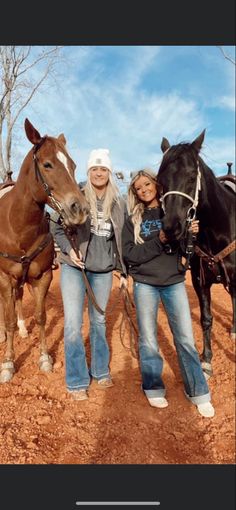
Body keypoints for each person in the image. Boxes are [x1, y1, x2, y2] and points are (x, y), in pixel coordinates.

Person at [122, 169, 215, 418]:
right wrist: (159, 240)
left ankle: (198, 392)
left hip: (174, 281)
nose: (143, 190)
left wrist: (190, 234)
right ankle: (153, 387)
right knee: (149, 340)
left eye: (147, 184)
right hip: (145, 283)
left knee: (185, 338)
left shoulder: (173, 209)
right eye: (138, 188)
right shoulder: (133, 217)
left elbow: (186, 251)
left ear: (156, 184)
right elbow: (129, 254)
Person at [52, 149, 127, 401]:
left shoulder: (118, 201)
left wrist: (123, 271)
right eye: (94, 168)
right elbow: (55, 225)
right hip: (74, 268)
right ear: (88, 171)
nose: (98, 172)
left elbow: (122, 238)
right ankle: (76, 381)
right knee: (73, 325)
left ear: (108, 172)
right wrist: (67, 251)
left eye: (103, 169)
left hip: (103, 270)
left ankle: (99, 370)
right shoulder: (77, 192)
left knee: (98, 322)